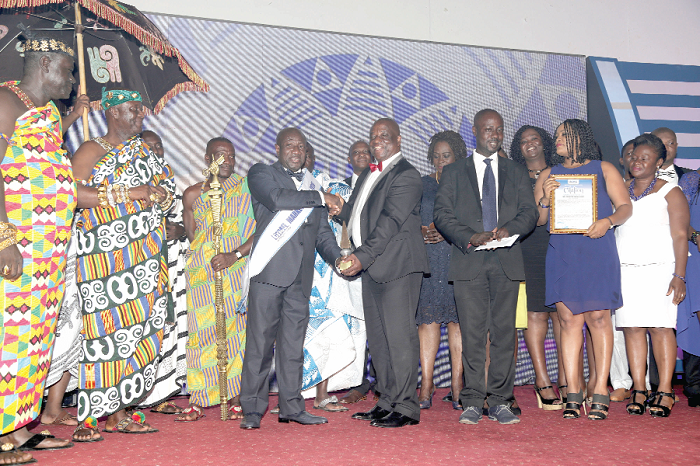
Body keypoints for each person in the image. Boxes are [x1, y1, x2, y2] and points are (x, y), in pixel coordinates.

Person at [71, 89, 174, 438]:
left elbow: (163, 191)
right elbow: (73, 196)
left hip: (144, 257)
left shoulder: (144, 151)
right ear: (113, 112)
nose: (140, 115)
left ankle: (121, 411)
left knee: (141, 332)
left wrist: (160, 195)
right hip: (104, 264)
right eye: (132, 110)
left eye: (140, 110)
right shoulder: (90, 151)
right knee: (104, 335)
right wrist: (134, 193)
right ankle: (89, 416)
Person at [0, 35, 80, 463]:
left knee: (33, 344)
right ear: (45, 63)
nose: (71, 80)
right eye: (67, 69)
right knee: (6, 340)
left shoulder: (47, 113)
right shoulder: (4, 102)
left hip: (48, 256)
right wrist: (4, 238)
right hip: (16, 250)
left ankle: (17, 428)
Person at [434, 109, 537, 425]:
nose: (495, 134)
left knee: (505, 334)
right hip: (469, 261)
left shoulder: (515, 171)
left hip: (506, 261)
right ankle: (473, 400)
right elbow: (443, 215)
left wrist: (511, 228)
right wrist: (470, 237)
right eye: (488, 129)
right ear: (476, 132)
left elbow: (529, 213)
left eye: (499, 129)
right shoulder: (453, 172)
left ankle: (502, 400)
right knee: (473, 334)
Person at [239, 127, 342, 429]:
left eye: (301, 146)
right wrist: (322, 196)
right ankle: (253, 411)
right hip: (269, 275)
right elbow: (277, 199)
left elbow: (323, 233)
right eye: (289, 145)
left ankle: (292, 407)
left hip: (300, 278)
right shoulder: (261, 173)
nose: (296, 150)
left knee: (293, 346)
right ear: (277, 148)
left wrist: (338, 258)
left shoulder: (312, 184)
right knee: (259, 345)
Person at [534, 118, 632, 421]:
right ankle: (573, 392)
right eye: (557, 136)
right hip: (563, 253)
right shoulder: (548, 175)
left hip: (597, 250)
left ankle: (600, 389)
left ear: (581, 138)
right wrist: (546, 197)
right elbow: (538, 220)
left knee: (600, 319)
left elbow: (625, 206)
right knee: (568, 320)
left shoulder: (604, 169)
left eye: (565, 135)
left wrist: (608, 221)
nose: (558, 140)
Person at [337, 118, 429, 428]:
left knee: (400, 338)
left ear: (399, 140)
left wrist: (360, 258)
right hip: (374, 267)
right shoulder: (368, 174)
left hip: (398, 265)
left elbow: (389, 222)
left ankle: (406, 406)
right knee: (379, 340)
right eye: (374, 135)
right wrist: (337, 207)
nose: (378, 140)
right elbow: (356, 214)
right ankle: (387, 399)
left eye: (385, 136)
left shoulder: (407, 175)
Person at [174, 137, 255, 422]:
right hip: (204, 273)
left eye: (232, 155)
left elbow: (261, 230)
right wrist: (207, 257)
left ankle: (235, 398)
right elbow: (193, 235)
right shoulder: (193, 194)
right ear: (208, 157)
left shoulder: (247, 188)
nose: (228, 160)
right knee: (201, 334)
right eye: (221, 155)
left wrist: (233, 255)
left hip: (236, 268)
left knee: (236, 334)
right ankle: (198, 399)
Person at [615, 133, 688, 418]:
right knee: (632, 330)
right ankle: (639, 389)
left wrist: (679, 276)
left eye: (645, 158)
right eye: (634, 156)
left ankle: (666, 390)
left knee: (660, 329)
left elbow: (681, 235)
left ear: (659, 162)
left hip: (660, 270)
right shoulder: (619, 189)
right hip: (625, 270)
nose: (637, 162)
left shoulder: (671, 191)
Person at [297, 142, 366, 412]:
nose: (304, 159)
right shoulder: (283, 189)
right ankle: (294, 395)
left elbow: (349, 225)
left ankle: (322, 394)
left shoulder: (335, 189)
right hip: (295, 270)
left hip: (328, 274)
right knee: (296, 334)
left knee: (329, 332)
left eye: (309, 154)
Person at [509, 125, 563, 410]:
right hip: (528, 247)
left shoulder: (562, 171)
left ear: (545, 143)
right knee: (536, 315)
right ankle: (542, 381)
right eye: (524, 141)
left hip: (561, 244)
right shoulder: (513, 175)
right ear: (518, 147)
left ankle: (567, 381)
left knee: (563, 316)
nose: (530, 144)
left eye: (535, 138)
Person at [135, 130, 188, 415]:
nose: (156, 151)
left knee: (168, 329)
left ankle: (161, 393)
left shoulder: (170, 183)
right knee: (145, 330)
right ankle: (135, 397)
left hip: (172, 268)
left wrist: (180, 231)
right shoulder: (130, 183)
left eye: (159, 147)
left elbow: (185, 220)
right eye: (149, 147)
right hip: (141, 271)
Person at [416, 130, 466, 410]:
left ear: (457, 155)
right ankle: (426, 384)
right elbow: (407, 215)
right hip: (429, 260)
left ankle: (457, 384)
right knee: (428, 321)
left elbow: (475, 221)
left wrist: (448, 232)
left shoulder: (467, 184)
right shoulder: (422, 184)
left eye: (446, 156)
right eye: (435, 156)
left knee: (457, 322)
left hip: (458, 256)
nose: (440, 161)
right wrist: (419, 229)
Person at [608, 140, 635, 403]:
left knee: (647, 325)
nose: (634, 159)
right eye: (629, 154)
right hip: (613, 262)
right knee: (616, 324)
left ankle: (644, 383)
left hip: (649, 265)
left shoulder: (661, 189)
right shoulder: (610, 187)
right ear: (621, 159)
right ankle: (620, 382)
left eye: (639, 155)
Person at [679, 165, 700, 408]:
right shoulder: (692, 180)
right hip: (696, 254)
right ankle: (694, 385)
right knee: (695, 320)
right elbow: (678, 217)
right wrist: (695, 237)